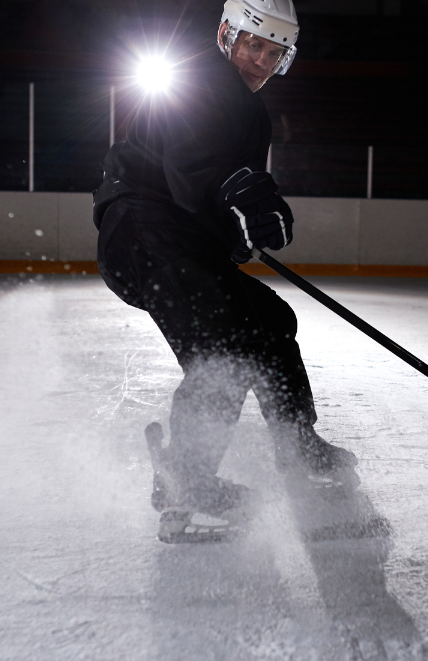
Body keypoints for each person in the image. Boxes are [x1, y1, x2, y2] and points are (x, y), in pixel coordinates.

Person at [93, 0, 359, 541]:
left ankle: (297, 440)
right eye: (253, 45)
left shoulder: (245, 107)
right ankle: (186, 485)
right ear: (226, 36)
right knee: (222, 351)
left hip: (177, 239)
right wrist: (234, 192)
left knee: (268, 318)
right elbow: (194, 164)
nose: (260, 60)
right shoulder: (201, 82)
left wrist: (248, 225)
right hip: (146, 232)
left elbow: (219, 196)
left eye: (273, 51)